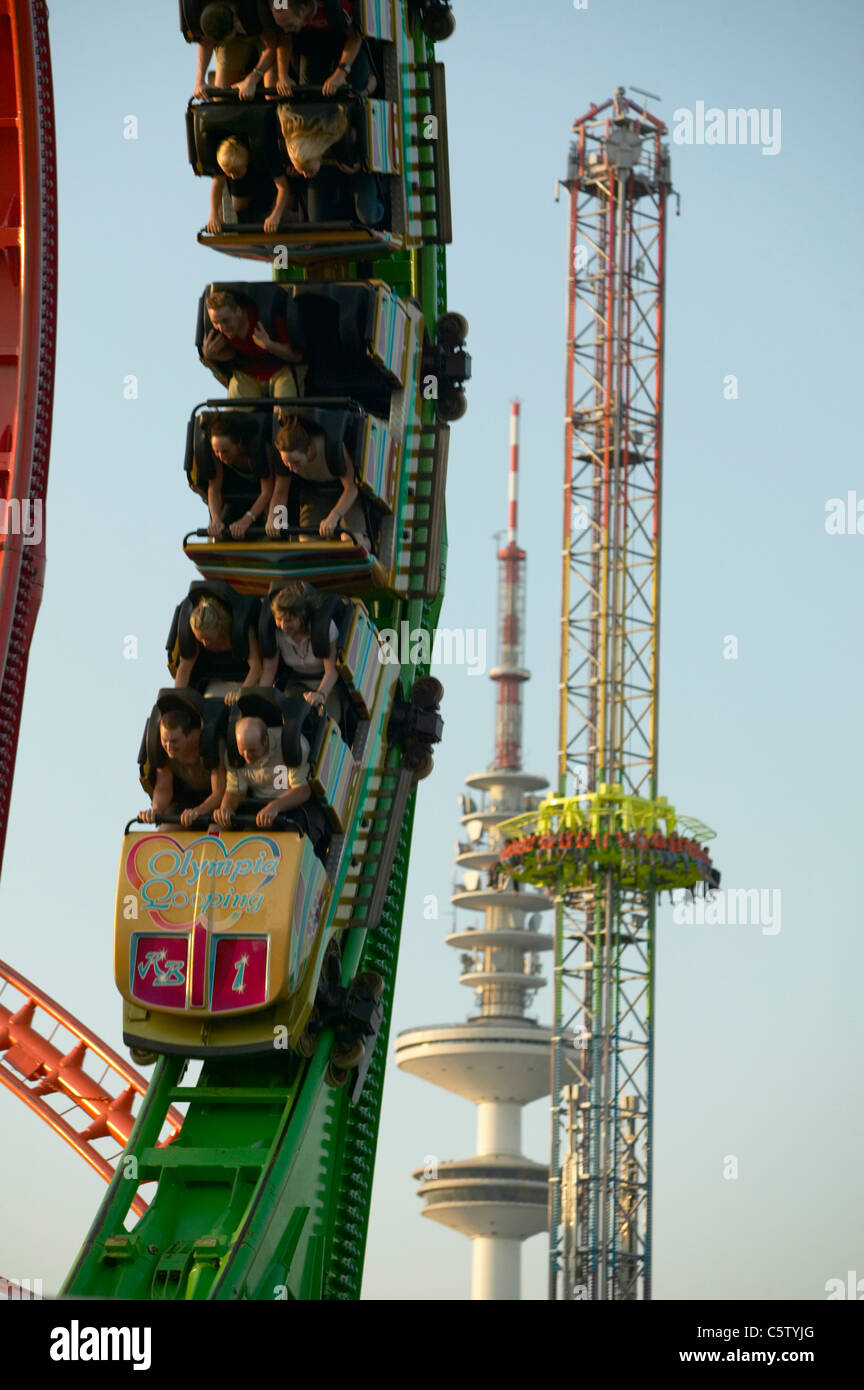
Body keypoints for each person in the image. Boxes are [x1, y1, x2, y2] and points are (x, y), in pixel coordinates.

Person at [266, 416, 371, 549]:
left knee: (350, 541)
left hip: (345, 494)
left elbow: (351, 488)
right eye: (287, 463)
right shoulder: (286, 459)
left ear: (309, 449)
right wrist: (274, 518)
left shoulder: (332, 448)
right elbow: (281, 491)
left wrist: (334, 516)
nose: (292, 468)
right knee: (307, 543)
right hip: (315, 494)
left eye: (296, 462)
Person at [239, 1, 372, 101]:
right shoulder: (282, 4)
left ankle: (371, 79)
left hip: (345, 44)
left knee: (352, 91)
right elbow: (285, 38)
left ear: (303, 10)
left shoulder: (338, 5)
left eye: (290, 25)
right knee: (310, 96)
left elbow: (355, 38)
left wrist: (341, 73)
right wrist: (283, 76)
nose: (286, 29)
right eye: (283, 26)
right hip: (312, 44)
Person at [278, 104, 384, 225]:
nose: (306, 175)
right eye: (303, 172)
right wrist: (298, 171)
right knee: (317, 220)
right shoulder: (301, 148)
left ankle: (382, 201)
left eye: (307, 171)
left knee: (368, 216)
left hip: (357, 169)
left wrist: (361, 162)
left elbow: (367, 141)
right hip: (325, 173)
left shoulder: (342, 133)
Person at [201, 288, 306, 399]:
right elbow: (232, 355)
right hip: (248, 375)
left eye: (226, 320)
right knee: (232, 413)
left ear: (239, 311)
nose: (222, 328)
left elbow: (297, 356)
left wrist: (269, 345)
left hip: (283, 370)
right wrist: (210, 356)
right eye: (216, 322)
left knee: (286, 410)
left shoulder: (268, 318)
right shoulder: (217, 334)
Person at [215, 715, 311, 828]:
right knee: (216, 829)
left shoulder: (292, 745)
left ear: (265, 740)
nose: (247, 757)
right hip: (258, 808)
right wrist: (226, 809)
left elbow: (302, 790)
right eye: (242, 750)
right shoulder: (234, 755)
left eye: (252, 751)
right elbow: (235, 791)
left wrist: (275, 806)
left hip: (292, 808)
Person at [261, 582, 340, 716]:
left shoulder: (324, 629)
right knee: (287, 716)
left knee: (324, 718)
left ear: (301, 617)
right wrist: (261, 698)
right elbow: (269, 671)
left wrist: (320, 694)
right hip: (297, 685)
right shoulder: (277, 634)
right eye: (279, 619)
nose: (283, 626)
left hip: (328, 686)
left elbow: (332, 671)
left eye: (289, 620)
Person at [140, 708, 226, 828]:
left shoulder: (209, 745)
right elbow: (163, 788)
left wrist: (197, 812)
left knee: (215, 831)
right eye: (165, 740)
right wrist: (156, 809)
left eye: (174, 741)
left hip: (216, 802)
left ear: (189, 736)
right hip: (185, 798)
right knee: (166, 829)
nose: (169, 747)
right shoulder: (162, 751)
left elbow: (219, 793)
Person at [174, 593, 262, 703]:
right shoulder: (198, 641)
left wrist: (241, 692)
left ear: (219, 626)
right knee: (208, 706)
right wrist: (178, 700)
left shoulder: (240, 631)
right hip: (219, 682)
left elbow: (256, 667)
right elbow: (184, 669)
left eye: (208, 638)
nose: (205, 643)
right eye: (200, 639)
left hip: (249, 681)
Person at [198, 411, 274, 539]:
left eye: (225, 451)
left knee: (269, 533)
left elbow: (267, 492)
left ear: (239, 443)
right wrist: (216, 519)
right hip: (237, 498)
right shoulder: (218, 457)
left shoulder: (258, 451)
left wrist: (247, 520)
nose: (221, 456)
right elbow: (214, 489)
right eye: (216, 451)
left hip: (267, 501)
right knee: (221, 534)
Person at [207, 135, 299, 235]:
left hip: (269, 185)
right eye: (228, 173)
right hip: (248, 198)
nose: (232, 176)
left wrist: (276, 215)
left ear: (246, 161)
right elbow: (217, 187)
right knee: (238, 206)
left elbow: (283, 188)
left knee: (288, 203)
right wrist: (213, 216)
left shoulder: (265, 154)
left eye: (236, 172)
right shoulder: (225, 157)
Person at [193, 2, 267, 101]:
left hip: (267, 31)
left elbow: (278, 39)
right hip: (231, 28)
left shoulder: (272, 7)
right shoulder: (196, 6)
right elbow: (205, 41)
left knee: (272, 90)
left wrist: (253, 79)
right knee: (221, 97)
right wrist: (200, 80)